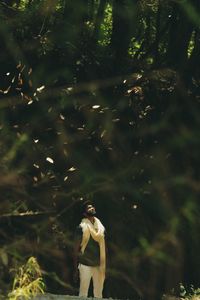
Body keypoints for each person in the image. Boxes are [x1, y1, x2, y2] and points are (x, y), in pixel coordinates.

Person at [73, 201, 106, 298]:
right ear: (84, 213)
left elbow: (104, 247)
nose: (92, 208)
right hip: (85, 265)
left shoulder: (101, 228)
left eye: (92, 207)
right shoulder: (81, 228)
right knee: (83, 294)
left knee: (99, 295)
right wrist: (75, 269)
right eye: (89, 208)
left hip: (99, 265)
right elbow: (75, 250)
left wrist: (105, 265)